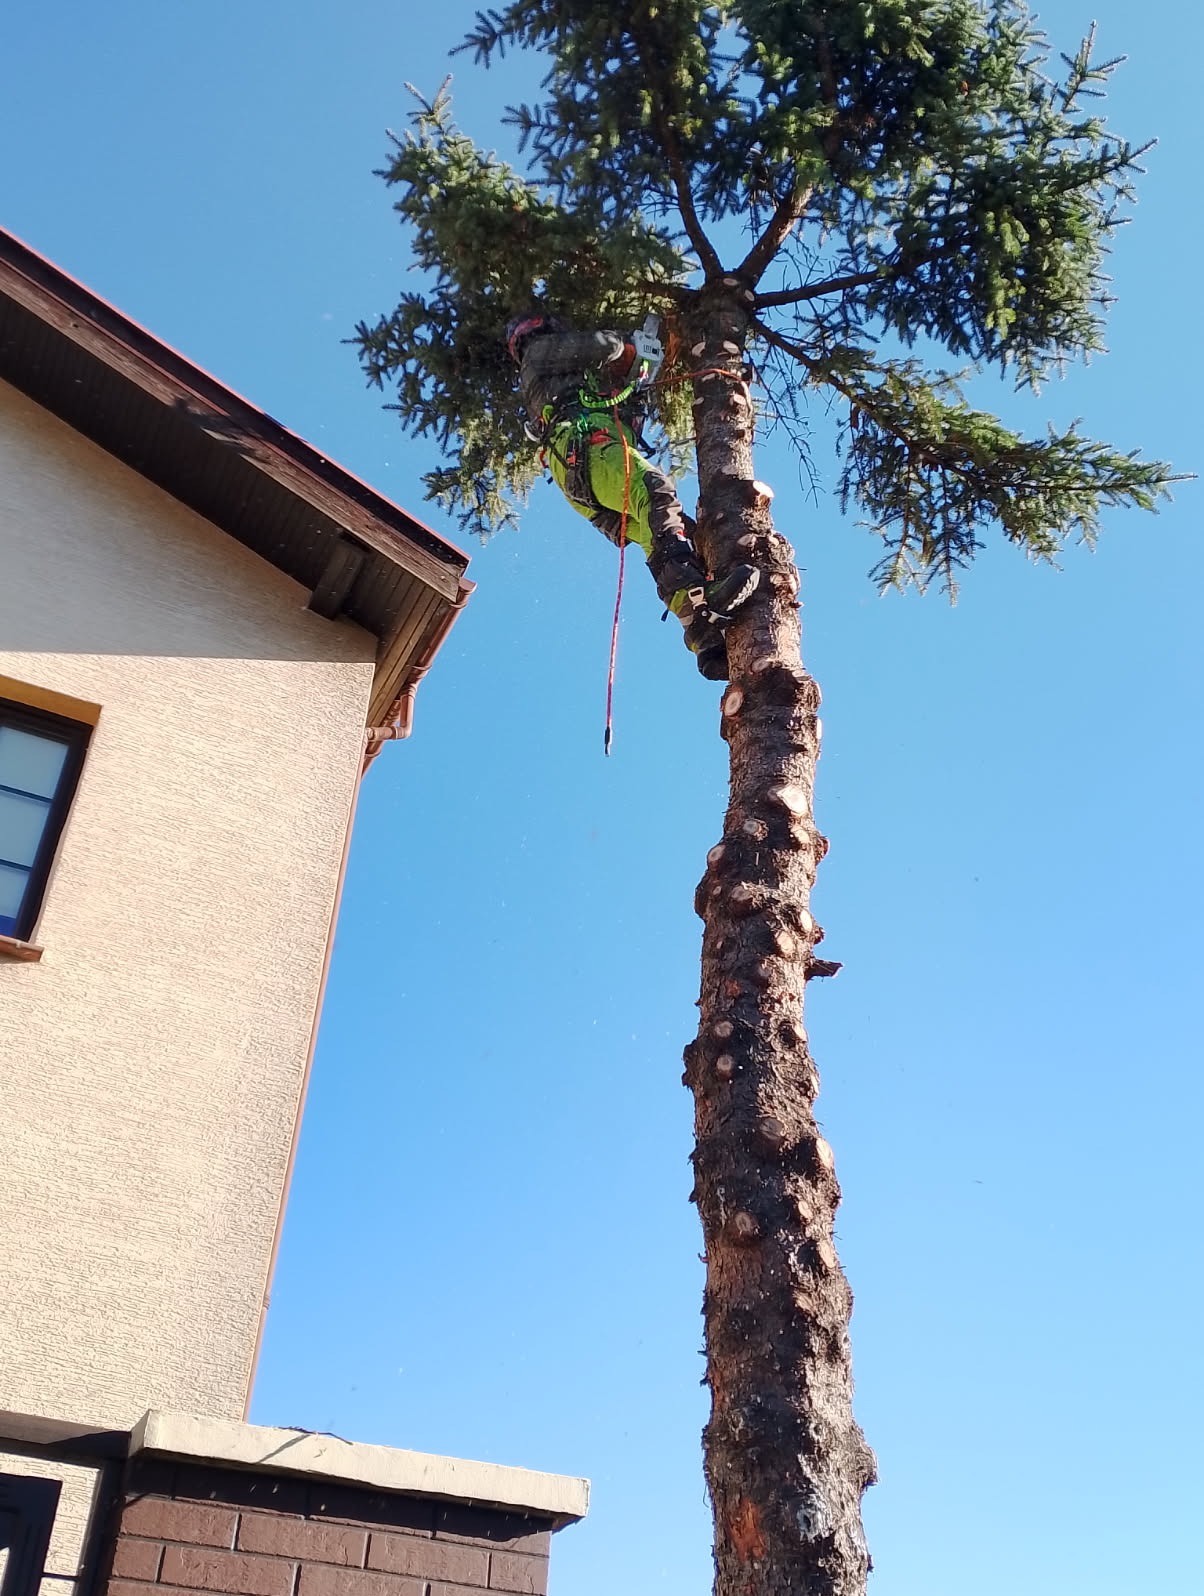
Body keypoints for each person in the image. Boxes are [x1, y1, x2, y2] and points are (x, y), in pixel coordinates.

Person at [506, 312, 759, 680]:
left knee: (667, 531)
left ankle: (702, 633)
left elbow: (625, 409)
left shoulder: (573, 384)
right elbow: (602, 346)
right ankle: (700, 598)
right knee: (655, 491)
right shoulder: (538, 352)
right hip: (585, 447)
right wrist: (627, 347)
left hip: (582, 463)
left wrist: (634, 383)